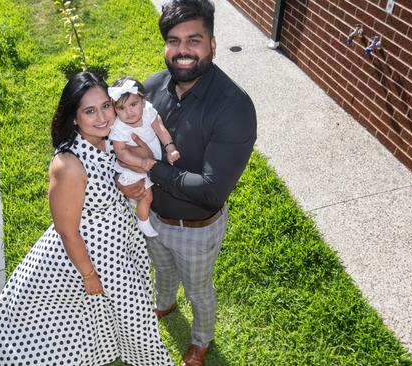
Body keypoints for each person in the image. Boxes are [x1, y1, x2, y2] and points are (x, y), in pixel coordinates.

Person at [0, 72, 173, 366]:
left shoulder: (107, 140)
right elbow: (67, 232)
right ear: (73, 118)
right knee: (134, 320)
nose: (103, 116)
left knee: (117, 313)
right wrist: (90, 276)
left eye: (107, 106)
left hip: (118, 241)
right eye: (90, 111)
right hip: (91, 256)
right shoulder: (67, 164)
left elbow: (128, 167)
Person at [117, 1, 257, 365]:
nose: (182, 50)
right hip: (152, 217)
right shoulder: (151, 89)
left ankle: (201, 340)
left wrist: (150, 166)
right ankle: (164, 303)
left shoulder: (234, 107)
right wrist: (128, 182)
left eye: (194, 40)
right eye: (174, 40)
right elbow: (120, 140)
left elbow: (210, 190)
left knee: (198, 290)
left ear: (212, 43)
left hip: (195, 226)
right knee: (161, 270)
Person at [108, 76, 180, 238]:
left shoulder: (148, 111)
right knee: (146, 195)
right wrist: (141, 162)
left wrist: (170, 148)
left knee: (151, 187)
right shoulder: (120, 127)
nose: (128, 112)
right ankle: (143, 221)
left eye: (133, 104)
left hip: (150, 160)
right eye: (121, 108)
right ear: (115, 109)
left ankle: (132, 203)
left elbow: (160, 128)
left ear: (143, 100)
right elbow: (121, 152)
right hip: (132, 165)